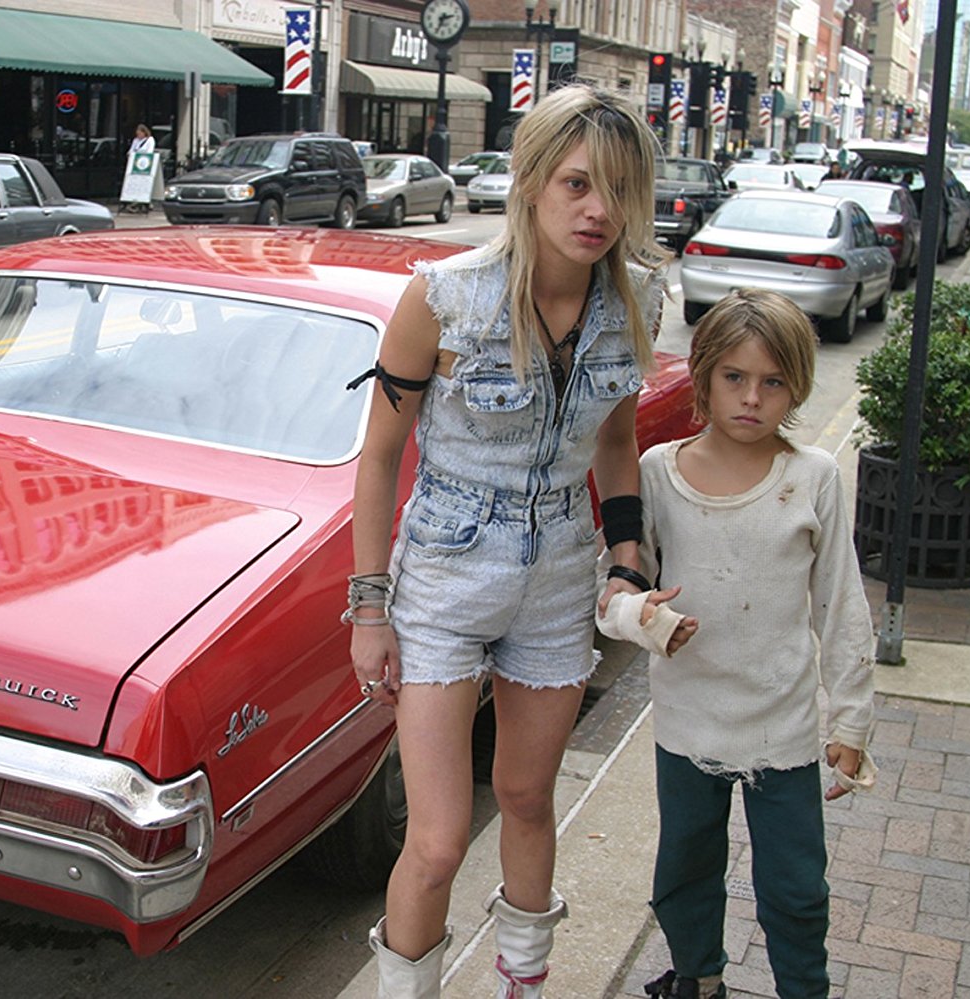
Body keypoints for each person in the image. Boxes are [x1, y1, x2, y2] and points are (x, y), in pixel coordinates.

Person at [347, 83, 669, 998]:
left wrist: (627, 557)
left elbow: (614, 438)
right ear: (530, 182)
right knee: (440, 836)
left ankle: (522, 985)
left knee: (528, 798)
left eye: (617, 189)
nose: (599, 210)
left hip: (561, 579)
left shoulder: (636, 298)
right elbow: (378, 459)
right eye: (576, 184)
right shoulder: (443, 298)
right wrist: (369, 608)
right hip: (446, 579)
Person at [596, 289, 877, 999]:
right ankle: (699, 978)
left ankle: (803, 988)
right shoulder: (658, 471)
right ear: (703, 377)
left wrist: (851, 718)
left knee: (796, 884)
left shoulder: (811, 477)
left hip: (783, 729)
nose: (752, 397)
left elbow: (840, 601)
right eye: (734, 377)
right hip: (688, 724)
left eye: (773, 381)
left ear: (797, 387)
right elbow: (614, 602)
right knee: (685, 869)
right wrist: (649, 622)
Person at [124, 124, 155, 213]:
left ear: (144, 133)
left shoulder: (150, 140)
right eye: (137, 134)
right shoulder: (135, 140)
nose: (138, 136)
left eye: (140, 133)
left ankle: (143, 203)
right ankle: (135, 202)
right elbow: (131, 150)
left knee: (144, 184)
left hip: (144, 166)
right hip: (134, 165)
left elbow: (149, 152)